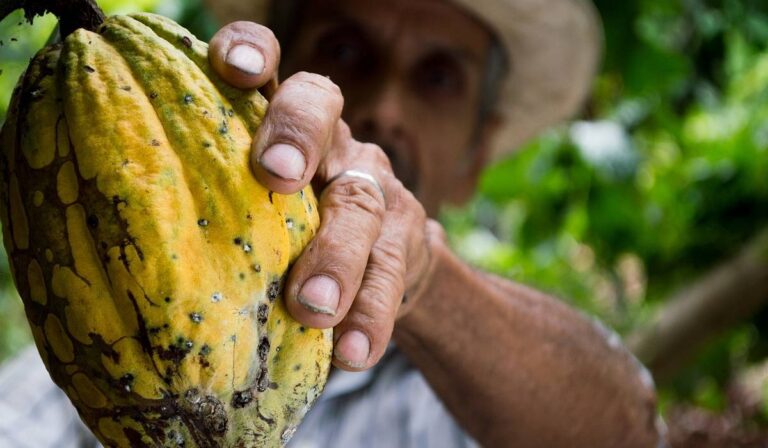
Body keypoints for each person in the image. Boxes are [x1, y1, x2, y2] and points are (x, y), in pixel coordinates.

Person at [0, 0, 667, 446]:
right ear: (262, 84)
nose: (384, 108)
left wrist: (423, 280)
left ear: (477, 155)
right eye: (346, 51)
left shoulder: (476, 393)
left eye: (438, 78)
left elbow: (627, 426)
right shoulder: (99, 344)